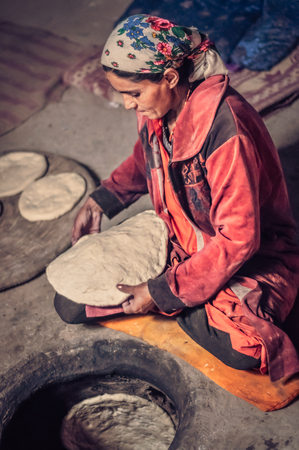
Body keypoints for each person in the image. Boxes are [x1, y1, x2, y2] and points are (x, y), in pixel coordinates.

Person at [56, 14, 299, 382]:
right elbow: (146, 160)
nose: (126, 105)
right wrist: (102, 199)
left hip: (250, 255)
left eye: (133, 94)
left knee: (245, 350)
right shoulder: (159, 109)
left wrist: (164, 291)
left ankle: (174, 301)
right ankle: (179, 301)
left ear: (169, 78)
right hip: (180, 237)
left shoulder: (226, 131)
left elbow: (239, 239)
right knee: (70, 303)